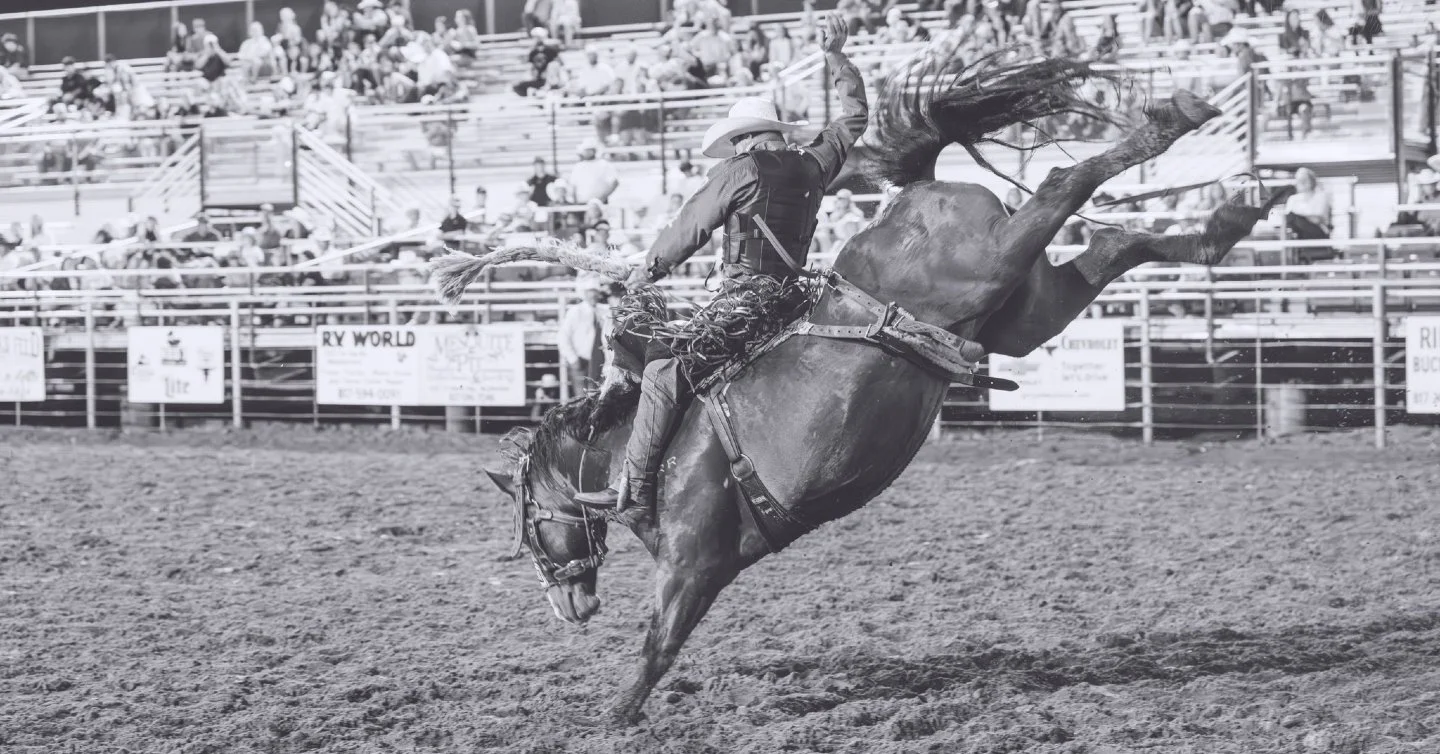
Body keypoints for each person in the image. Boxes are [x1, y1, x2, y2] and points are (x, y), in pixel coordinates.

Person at [576, 12, 866, 513]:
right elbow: (855, 116)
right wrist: (835, 56)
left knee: (665, 371)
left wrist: (649, 269)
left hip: (747, 303)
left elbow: (690, 227)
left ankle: (636, 485)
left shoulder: (741, 171)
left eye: (735, 142)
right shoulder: (816, 164)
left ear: (747, 139)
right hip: (798, 301)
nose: (733, 149)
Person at [558, 279, 610, 392]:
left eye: (595, 292)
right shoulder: (575, 312)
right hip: (581, 362)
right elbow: (563, 337)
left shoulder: (604, 311)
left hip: (599, 363)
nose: (593, 295)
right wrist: (573, 359)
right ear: (584, 294)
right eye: (590, 292)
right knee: (581, 399)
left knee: (598, 397)